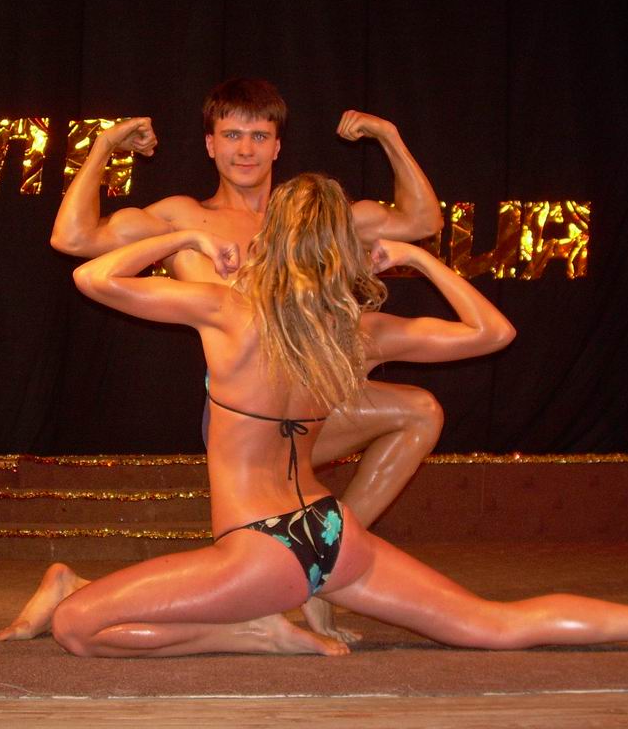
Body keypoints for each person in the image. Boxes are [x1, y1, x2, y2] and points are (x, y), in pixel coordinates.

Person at [0, 173, 628, 658]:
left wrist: (185, 235)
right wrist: (423, 260)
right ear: (340, 244)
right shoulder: (359, 331)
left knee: (79, 629)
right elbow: (494, 334)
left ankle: (251, 631)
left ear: (272, 238)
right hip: (334, 535)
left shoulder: (229, 312)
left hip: (258, 553)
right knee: (492, 624)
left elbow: (95, 276)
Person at [51, 79, 448, 640]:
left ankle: (324, 566)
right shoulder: (184, 217)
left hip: (311, 404)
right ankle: (311, 577)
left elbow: (423, 222)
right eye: (232, 135)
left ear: (278, 145)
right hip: (246, 419)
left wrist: (389, 137)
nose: (245, 149)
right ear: (210, 144)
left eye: (259, 136)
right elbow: (73, 239)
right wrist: (103, 148)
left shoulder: (307, 216)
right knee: (250, 548)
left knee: (420, 410)